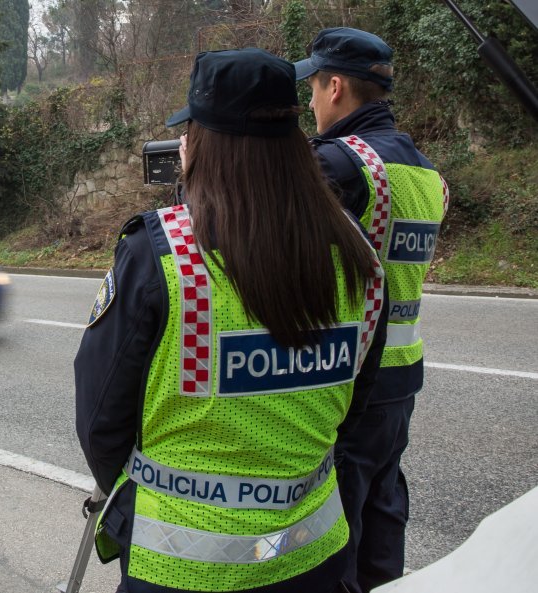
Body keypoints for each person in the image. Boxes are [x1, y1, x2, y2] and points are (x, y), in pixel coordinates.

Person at [74, 48, 389, 593]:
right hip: (315, 558)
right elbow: (354, 408)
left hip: (180, 569)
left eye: (188, 131)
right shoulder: (357, 251)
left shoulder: (162, 254)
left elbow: (101, 420)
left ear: (201, 144)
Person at [294, 28, 449, 593]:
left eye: (312, 87)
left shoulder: (338, 163)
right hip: (403, 377)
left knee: (337, 534)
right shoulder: (427, 172)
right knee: (385, 513)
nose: (309, 101)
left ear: (336, 87)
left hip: (348, 384)